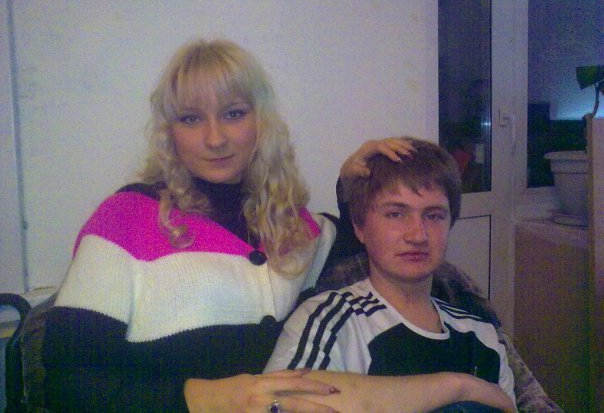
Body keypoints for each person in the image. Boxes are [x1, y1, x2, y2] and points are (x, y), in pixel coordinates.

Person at [42, 39, 513, 413]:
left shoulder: (293, 227)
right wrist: (205, 398)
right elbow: (65, 385)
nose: (215, 138)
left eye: (233, 113)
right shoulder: (124, 219)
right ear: (170, 132)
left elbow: (380, 236)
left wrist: (353, 180)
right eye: (191, 118)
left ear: (261, 122)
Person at [265, 137, 516, 411]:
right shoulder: (328, 322)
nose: (418, 235)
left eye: (433, 216)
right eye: (396, 214)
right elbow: (278, 400)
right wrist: (460, 387)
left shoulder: (483, 336)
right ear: (359, 227)